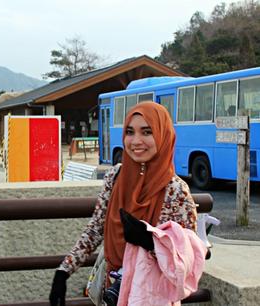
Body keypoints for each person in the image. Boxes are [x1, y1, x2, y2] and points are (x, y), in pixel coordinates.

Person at [49, 101, 200, 306]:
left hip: (151, 294)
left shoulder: (175, 191)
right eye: (130, 132)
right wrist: (64, 271)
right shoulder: (116, 176)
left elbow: (187, 258)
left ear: (163, 136)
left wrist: (151, 242)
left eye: (147, 132)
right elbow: (96, 228)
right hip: (112, 288)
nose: (136, 141)